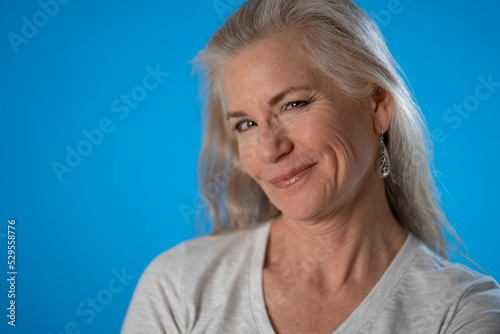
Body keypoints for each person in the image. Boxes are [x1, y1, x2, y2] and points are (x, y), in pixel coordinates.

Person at [121, 0, 500, 333]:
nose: (270, 149)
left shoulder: (463, 311)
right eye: (246, 124)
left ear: (378, 104)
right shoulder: (179, 284)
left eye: (294, 104)